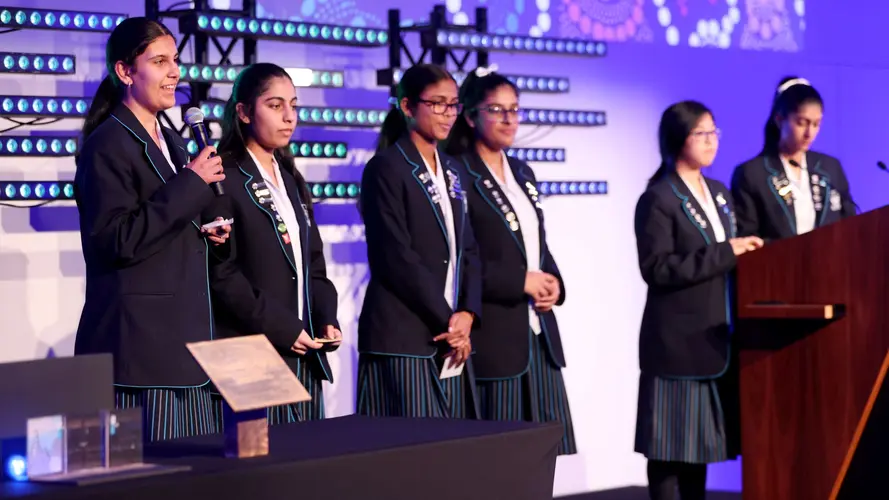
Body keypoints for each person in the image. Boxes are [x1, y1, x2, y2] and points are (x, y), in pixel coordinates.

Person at [74, 17, 230, 442]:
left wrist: (204, 230)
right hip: (142, 351)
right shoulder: (108, 144)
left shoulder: (173, 139)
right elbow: (116, 239)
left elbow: (164, 220)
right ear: (125, 72)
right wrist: (191, 185)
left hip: (185, 348)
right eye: (159, 61)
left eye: (175, 60)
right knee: (153, 476)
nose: (174, 72)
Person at [633, 101, 764, 500]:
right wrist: (727, 251)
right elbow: (657, 268)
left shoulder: (720, 193)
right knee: (669, 453)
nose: (711, 142)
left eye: (714, 133)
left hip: (715, 340)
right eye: (701, 134)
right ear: (678, 140)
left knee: (698, 453)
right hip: (676, 343)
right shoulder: (658, 198)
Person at [443, 65, 576, 454]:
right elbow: (463, 257)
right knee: (500, 456)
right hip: (496, 334)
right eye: (496, 110)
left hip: (538, 333)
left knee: (541, 453)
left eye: (514, 109)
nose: (508, 119)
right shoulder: (458, 173)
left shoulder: (522, 170)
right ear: (470, 116)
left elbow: (536, 242)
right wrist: (519, 280)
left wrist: (553, 281)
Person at [210, 62, 341, 423]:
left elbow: (313, 263)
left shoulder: (290, 178)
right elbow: (222, 274)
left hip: (304, 351)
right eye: (275, 105)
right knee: (264, 472)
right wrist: (283, 327)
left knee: (310, 469)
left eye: (294, 105)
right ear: (244, 112)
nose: (289, 117)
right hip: (254, 351)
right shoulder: (224, 175)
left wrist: (325, 317)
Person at [356, 64, 482, 418]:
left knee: (455, 455)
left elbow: (469, 248)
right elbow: (395, 257)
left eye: (454, 104)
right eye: (437, 103)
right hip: (403, 335)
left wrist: (468, 314)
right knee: (410, 457)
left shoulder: (454, 169)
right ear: (408, 106)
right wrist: (449, 319)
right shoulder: (386, 167)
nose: (448, 113)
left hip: (451, 334)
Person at [731, 77, 857, 240]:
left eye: (816, 124)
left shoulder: (830, 168)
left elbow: (850, 224)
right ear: (779, 120)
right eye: (801, 123)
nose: (809, 133)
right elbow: (748, 238)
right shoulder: (752, 174)